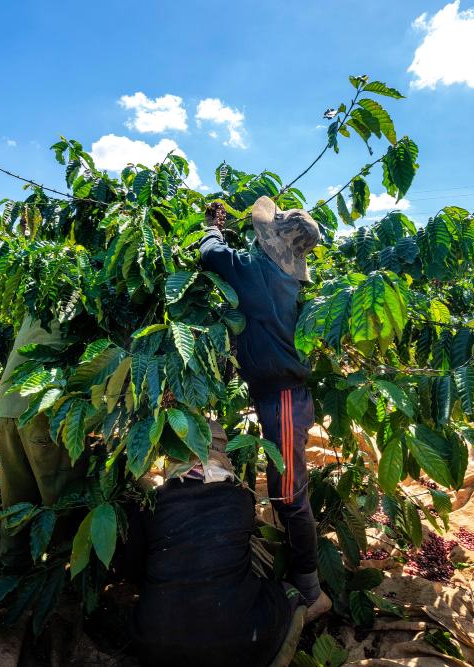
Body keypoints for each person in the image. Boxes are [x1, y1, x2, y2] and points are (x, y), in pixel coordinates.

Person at [198, 196, 332, 621]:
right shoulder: (282, 278)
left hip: (286, 398)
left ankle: (309, 590)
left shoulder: (258, 272)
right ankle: (296, 569)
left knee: (290, 491)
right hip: (277, 395)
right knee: (281, 484)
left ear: (271, 244)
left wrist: (212, 226)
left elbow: (212, 255)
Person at [127, 422, 303, 667]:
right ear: (222, 455)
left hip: (155, 645)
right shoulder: (240, 498)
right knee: (286, 594)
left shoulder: (153, 504)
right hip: (237, 646)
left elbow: (132, 568)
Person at [0, 315, 77, 564]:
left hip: (8, 406)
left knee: (16, 499)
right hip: (44, 407)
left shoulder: (43, 296)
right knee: (64, 501)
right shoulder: (91, 290)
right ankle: (67, 573)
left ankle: (12, 570)